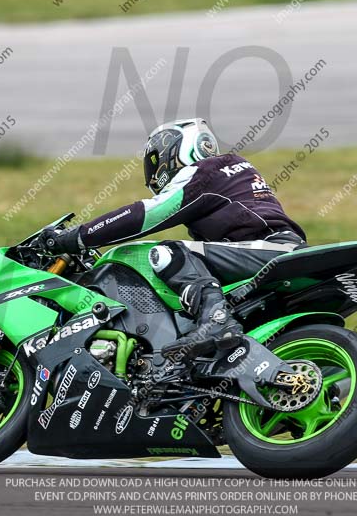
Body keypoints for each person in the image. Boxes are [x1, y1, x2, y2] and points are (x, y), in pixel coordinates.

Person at [40, 118, 306, 358]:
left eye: (156, 161)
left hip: (271, 250)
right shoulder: (228, 172)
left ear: (176, 149)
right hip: (271, 251)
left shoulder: (206, 171)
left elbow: (144, 216)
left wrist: (74, 237)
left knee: (167, 253)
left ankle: (216, 321)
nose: (154, 174)